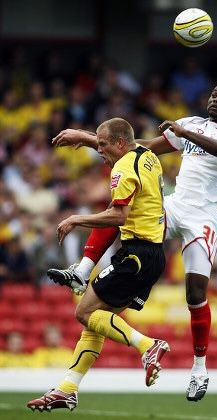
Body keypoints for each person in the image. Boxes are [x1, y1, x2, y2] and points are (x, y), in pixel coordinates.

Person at [45, 82, 217, 401]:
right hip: (176, 203)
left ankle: (199, 368)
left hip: (205, 214)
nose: (216, 99)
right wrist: (88, 138)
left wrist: (184, 136)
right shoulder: (191, 123)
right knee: (124, 209)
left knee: (195, 292)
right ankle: (83, 270)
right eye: (213, 94)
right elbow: (139, 146)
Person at [27, 117, 169, 412]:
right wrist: (86, 136)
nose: (99, 150)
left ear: (119, 144)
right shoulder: (148, 156)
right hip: (152, 255)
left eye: (103, 145)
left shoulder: (122, 168)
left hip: (135, 255)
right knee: (96, 322)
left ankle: (147, 345)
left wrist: (77, 218)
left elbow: (118, 217)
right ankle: (67, 389)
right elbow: (128, 144)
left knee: (84, 312)